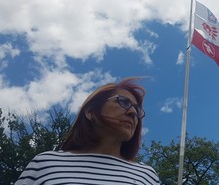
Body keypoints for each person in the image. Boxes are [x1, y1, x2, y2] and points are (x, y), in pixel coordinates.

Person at [15, 77, 160, 184]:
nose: (133, 112)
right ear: (90, 111)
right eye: (124, 102)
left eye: (137, 109)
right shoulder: (45, 163)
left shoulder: (146, 175)